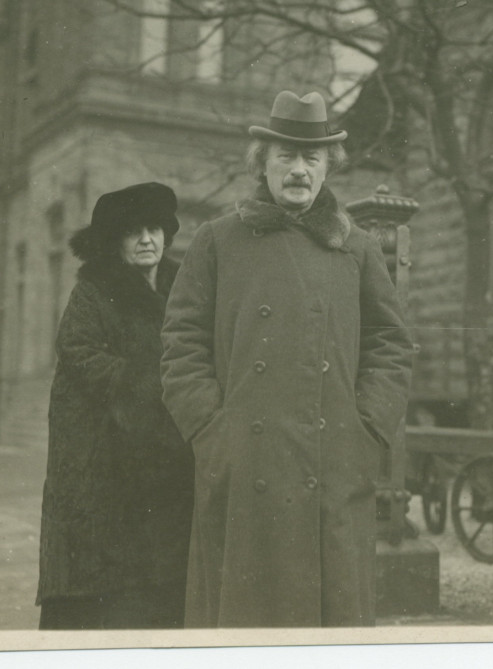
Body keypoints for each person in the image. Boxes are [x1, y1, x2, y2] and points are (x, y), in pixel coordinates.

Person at [160, 90, 413, 628]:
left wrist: (366, 429)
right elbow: (181, 342)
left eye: (311, 159)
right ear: (264, 164)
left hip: (332, 466)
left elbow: (391, 344)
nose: (298, 171)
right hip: (244, 466)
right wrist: (210, 430)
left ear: (327, 169)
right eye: (286, 158)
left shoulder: (357, 248)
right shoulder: (217, 240)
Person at [37, 182, 194, 630]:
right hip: (106, 462)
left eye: (154, 229)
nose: (147, 239)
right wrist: (146, 383)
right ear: (115, 241)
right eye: (133, 232)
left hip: (167, 459)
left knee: (163, 583)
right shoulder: (94, 291)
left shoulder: (183, 290)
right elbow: (78, 351)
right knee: (108, 595)